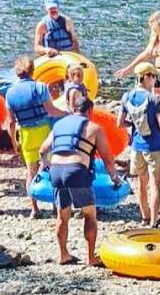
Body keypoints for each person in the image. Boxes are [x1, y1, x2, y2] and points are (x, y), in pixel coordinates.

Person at [39, 97, 122, 266]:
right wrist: (114, 177)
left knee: (62, 217)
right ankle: (91, 258)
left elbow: (42, 150)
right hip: (76, 171)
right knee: (90, 215)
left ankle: (63, 254)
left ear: (72, 108)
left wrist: (46, 166)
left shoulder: (59, 125)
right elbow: (107, 157)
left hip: (56, 171)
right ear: (90, 111)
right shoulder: (94, 128)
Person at [115, 10, 160, 150]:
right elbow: (145, 55)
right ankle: (159, 133)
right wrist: (127, 69)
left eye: (153, 26)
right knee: (156, 105)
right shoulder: (155, 38)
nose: (151, 29)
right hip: (156, 73)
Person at [4, 55, 65, 218]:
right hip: (44, 132)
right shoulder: (40, 87)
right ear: (32, 70)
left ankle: (34, 208)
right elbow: (51, 111)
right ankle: (55, 205)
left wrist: (13, 143)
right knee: (51, 167)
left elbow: (11, 121)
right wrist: (67, 113)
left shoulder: (10, 93)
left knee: (30, 171)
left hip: (26, 134)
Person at [117, 62, 160, 227]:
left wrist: (133, 126)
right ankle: (154, 221)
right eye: (153, 76)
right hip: (153, 145)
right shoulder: (154, 99)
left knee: (141, 183)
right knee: (155, 184)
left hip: (136, 146)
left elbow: (120, 123)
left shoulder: (127, 97)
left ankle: (144, 217)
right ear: (146, 77)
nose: (154, 80)